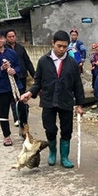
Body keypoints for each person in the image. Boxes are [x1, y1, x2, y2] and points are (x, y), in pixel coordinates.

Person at [20, 30, 85, 168]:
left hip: (66, 101)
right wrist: (29, 93)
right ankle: (52, 153)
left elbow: (77, 85)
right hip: (48, 101)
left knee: (67, 129)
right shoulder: (44, 61)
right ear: (53, 43)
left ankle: (65, 157)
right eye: (59, 46)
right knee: (50, 129)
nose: (62, 49)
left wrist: (80, 104)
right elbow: (37, 83)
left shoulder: (72, 63)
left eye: (65, 46)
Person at [0, 28, 28, 146]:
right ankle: (7, 135)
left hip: (16, 86)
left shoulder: (12, 53)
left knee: (22, 109)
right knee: (3, 112)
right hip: (1, 88)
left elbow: (19, 67)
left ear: (4, 39)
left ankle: (24, 131)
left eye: (1, 38)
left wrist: (14, 71)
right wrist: (1, 69)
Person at [5, 29, 36, 127]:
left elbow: (27, 62)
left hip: (22, 76)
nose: (12, 38)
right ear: (6, 38)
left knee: (22, 97)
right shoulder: (4, 49)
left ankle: (23, 116)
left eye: (13, 36)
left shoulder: (20, 48)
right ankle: (17, 118)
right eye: (9, 36)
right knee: (14, 98)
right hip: (11, 78)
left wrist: (34, 75)